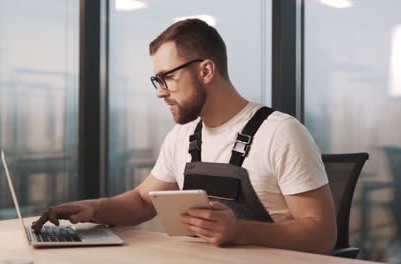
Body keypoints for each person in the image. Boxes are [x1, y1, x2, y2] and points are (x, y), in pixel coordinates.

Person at [32, 18, 336, 254]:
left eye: (167, 78)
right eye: (157, 80)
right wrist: (94, 210)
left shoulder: (281, 133)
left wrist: (238, 230)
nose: (161, 92)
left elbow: (322, 234)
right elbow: (141, 201)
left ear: (205, 71)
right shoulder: (184, 136)